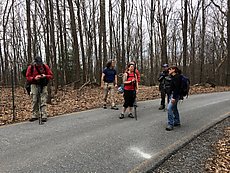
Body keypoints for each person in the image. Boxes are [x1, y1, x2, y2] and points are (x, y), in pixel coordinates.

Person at [26, 56, 53, 122]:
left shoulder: (45, 66)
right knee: (34, 99)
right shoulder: (31, 67)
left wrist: (45, 76)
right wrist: (34, 78)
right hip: (34, 84)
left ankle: (44, 114)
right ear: (35, 62)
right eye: (38, 63)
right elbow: (27, 76)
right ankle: (35, 115)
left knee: (43, 99)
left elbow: (51, 75)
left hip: (43, 85)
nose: (39, 64)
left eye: (40, 63)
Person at [166, 66, 182, 131]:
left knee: (169, 108)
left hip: (175, 95)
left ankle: (170, 124)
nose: (169, 70)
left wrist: (174, 98)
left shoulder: (177, 77)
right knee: (174, 108)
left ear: (174, 70)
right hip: (172, 95)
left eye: (170, 69)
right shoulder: (173, 77)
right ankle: (177, 121)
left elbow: (177, 89)